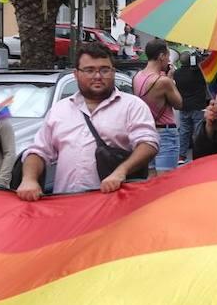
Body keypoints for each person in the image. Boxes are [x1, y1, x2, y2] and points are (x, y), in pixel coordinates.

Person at [17, 43, 158, 199]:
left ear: (113, 72)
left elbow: (148, 144)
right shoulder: (59, 110)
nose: (98, 76)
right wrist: (29, 180)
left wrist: (121, 172)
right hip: (67, 206)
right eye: (89, 70)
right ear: (76, 74)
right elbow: (38, 151)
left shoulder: (132, 106)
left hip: (116, 204)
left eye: (104, 70)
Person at [134, 39, 183, 173]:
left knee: (151, 177)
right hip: (166, 133)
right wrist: (171, 79)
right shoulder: (164, 82)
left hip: (148, 132)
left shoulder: (137, 77)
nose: (168, 59)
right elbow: (179, 104)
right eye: (167, 55)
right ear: (161, 56)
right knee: (165, 181)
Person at [171, 50, 212, 163]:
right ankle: (198, 154)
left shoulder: (177, 73)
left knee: (184, 131)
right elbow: (206, 81)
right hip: (198, 106)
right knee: (198, 131)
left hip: (184, 106)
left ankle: (181, 156)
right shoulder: (198, 72)